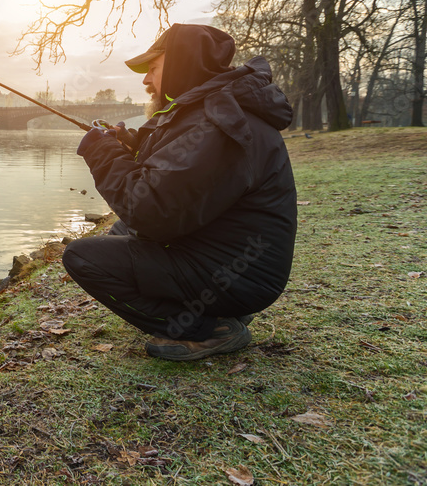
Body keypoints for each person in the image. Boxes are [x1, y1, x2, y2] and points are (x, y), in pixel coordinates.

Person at [63, 23, 297, 361]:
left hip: (241, 275)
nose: (145, 80)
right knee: (119, 233)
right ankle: (214, 309)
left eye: (153, 69)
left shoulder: (218, 122)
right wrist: (133, 144)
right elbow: (184, 170)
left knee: (84, 257)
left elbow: (148, 210)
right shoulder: (217, 109)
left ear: (180, 67)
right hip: (233, 261)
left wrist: (101, 152)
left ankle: (205, 331)